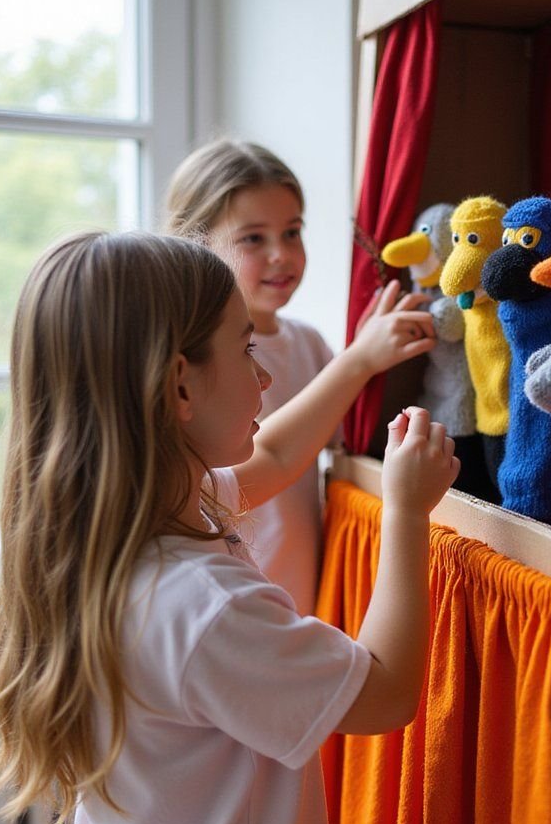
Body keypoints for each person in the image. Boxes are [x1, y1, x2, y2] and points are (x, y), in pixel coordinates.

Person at [0, 231, 459, 824]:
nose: (266, 375)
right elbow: (389, 693)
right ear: (180, 388)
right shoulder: (199, 605)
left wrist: (355, 364)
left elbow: (271, 460)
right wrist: (405, 514)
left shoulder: (107, 540)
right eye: (246, 348)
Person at [165, 138, 430, 613]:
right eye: (253, 238)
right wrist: (357, 361)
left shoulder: (307, 343)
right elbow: (244, 481)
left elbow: (340, 438)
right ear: (198, 244)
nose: (281, 255)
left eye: (292, 232)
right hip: (236, 601)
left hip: (303, 598)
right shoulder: (198, 363)